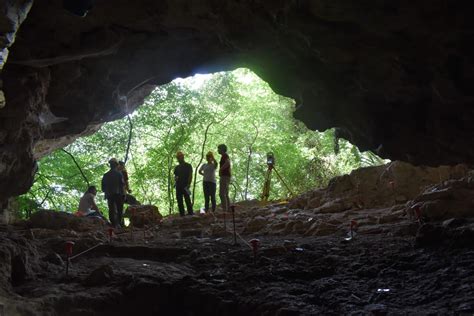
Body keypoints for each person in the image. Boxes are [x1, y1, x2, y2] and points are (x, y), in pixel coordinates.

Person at [101, 158, 125, 228]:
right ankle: (118, 224)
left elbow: (103, 188)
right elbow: (122, 185)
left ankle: (114, 224)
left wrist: (107, 191)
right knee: (119, 210)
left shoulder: (105, 175)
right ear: (117, 165)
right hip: (119, 195)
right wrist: (123, 194)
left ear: (110, 165)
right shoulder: (119, 174)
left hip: (109, 195)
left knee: (111, 210)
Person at [174, 151, 193, 216]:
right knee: (179, 200)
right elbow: (176, 176)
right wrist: (175, 180)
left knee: (187, 199)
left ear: (183, 157)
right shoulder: (176, 167)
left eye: (180, 156)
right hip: (178, 186)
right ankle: (182, 214)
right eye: (178, 157)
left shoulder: (188, 165)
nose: (179, 158)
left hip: (185, 185)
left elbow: (190, 175)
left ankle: (190, 213)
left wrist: (189, 184)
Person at [217, 144, 231, 212]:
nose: (218, 150)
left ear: (222, 149)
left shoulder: (225, 155)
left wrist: (221, 169)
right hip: (226, 176)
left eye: (219, 148)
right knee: (225, 193)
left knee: (222, 193)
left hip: (224, 176)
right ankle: (228, 209)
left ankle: (225, 209)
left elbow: (228, 163)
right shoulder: (224, 156)